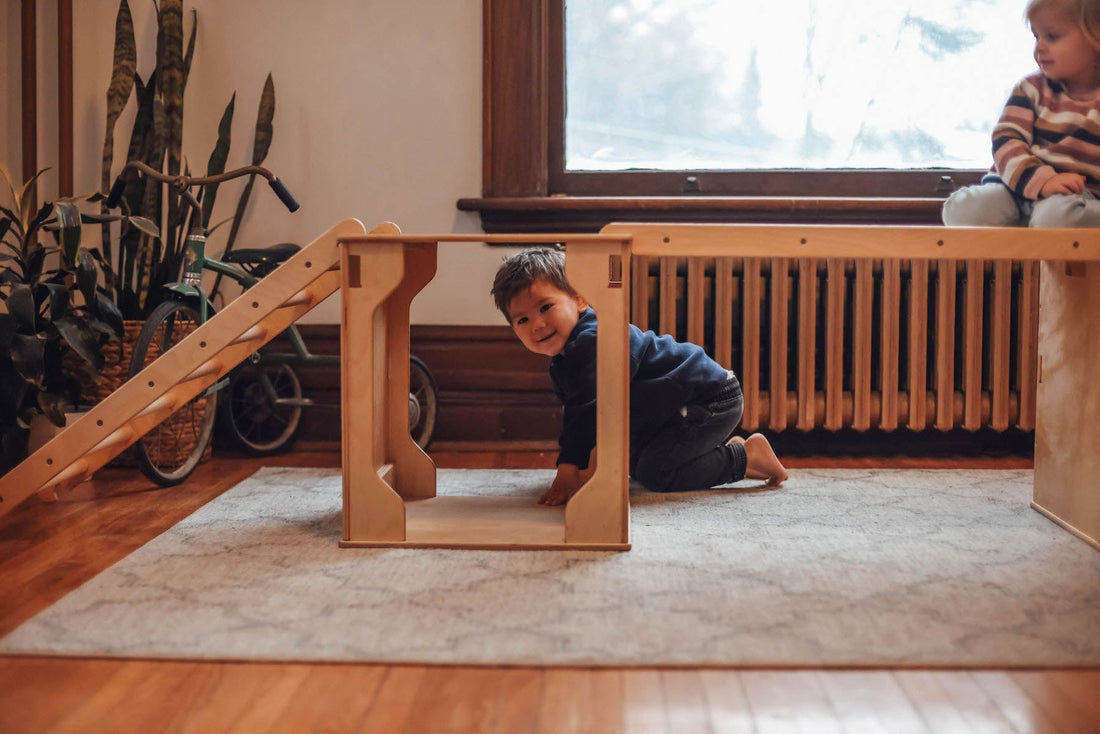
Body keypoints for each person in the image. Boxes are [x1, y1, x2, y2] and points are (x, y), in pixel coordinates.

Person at [491, 247, 787, 507]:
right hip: (671, 408)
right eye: (523, 320)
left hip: (709, 398)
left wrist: (569, 468)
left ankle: (747, 457)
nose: (538, 325)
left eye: (546, 307)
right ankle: (710, 451)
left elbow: (586, 413)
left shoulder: (592, 340)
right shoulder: (565, 357)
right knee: (630, 462)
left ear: (580, 300)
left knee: (657, 473)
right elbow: (587, 416)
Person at [943, 0, 1100, 228]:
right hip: (1013, 190)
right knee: (963, 209)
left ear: (1095, 37)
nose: (1040, 47)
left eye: (1052, 36)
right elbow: (1007, 140)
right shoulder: (1031, 88)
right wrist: (1044, 180)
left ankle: (1036, 231)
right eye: (1037, 37)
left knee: (1057, 219)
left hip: (1073, 199)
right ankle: (1028, 232)